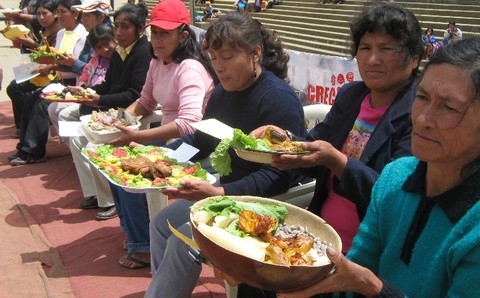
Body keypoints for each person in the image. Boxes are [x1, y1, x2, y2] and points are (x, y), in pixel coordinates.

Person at [238, 2, 422, 296]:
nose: (373, 59)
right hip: (320, 231)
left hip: (364, 251)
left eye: (387, 49)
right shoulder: (352, 95)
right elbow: (315, 144)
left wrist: (338, 162)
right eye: (365, 48)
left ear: (414, 58)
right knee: (251, 276)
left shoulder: (419, 114)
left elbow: (393, 197)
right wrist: (282, 139)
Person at [277, 36, 480, 298]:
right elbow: (355, 272)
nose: (422, 118)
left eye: (449, 107)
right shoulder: (396, 178)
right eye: (422, 97)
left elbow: (362, 281)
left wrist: (371, 288)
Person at [145, 12, 308, 297]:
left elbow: (277, 176)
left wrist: (217, 191)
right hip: (227, 193)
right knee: (162, 223)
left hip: (265, 203)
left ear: (255, 53)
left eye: (228, 57)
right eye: (214, 58)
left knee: (182, 240)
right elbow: (201, 141)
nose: (218, 67)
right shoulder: (222, 93)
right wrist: (161, 157)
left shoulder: (277, 100)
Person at [103, 0, 217, 267]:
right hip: (169, 140)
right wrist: (119, 122)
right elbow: (144, 102)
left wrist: (138, 137)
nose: (157, 39)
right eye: (155, 32)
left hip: (196, 144)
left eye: (165, 33)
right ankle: (135, 234)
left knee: (131, 175)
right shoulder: (158, 62)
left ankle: (143, 246)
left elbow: (190, 123)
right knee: (114, 165)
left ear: (183, 35)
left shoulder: (189, 68)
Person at [65, 2, 153, 219]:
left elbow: (134, 94)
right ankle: (95, 192)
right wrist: (88, 91)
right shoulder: (120, 51)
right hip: (114, 108)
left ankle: (109, 199)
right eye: (117, 26)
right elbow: (110, 84)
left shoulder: (143, 52)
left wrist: (99, 99)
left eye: (125, 27)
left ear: (140, 29)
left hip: (131, 113)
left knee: (86, 141)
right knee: (69, 123)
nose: (119, 32)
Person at [9, 0, 88, 166]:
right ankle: (24, 147)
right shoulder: (60, 33)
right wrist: (45, 64)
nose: (59, 16)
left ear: (75, 13)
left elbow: (76, 65)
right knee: (30, 99)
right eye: (57, 11)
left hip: (73, 83)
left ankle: (34, 151)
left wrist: (49, 66)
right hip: (57, 79)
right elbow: (54, 58)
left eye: (62, 12)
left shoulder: (82, 34)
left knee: (41, 103)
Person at [47, 0, 113, 133]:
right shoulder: (91, 37)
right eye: (82, 15)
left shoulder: (108, 38)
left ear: (100, 17)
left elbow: (101, 75)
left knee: (62, 113)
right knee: (53, 109)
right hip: (88, 92)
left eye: (87, 16)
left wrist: (73, 63)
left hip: (102, 97)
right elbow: (88, 70)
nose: (82, 20)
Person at [6, 0, 62, 138]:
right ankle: (22, 126)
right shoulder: (42, 29)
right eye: (39, 14)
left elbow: (53, 56)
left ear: (55, 14)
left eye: (45, 14)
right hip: (38, 69)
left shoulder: (59, 31)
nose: (42, 18)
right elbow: (38, 54)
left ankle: (27, 126)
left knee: (17, 88)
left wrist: (33, 44)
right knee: (14, 86)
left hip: (52, 72)